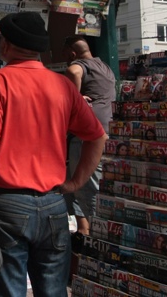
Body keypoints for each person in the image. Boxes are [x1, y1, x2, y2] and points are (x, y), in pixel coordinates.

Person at [0, 13, 107, 297]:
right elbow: (97, 136)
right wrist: (75, 183)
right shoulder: (63, 85)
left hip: (8, 206)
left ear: (6, 44)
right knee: (53, 290)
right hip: (54, 203)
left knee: (10, 289)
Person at [62, 35, 116, 237]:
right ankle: (85, 233)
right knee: (76, 189)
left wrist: (74, 98)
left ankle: (99, 236)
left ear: (72, 52)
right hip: (106, 133)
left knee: (86, 187)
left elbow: (73, 71)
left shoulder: (78, 65)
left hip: (88, 139)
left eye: (65, 54)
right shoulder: (105, 67)